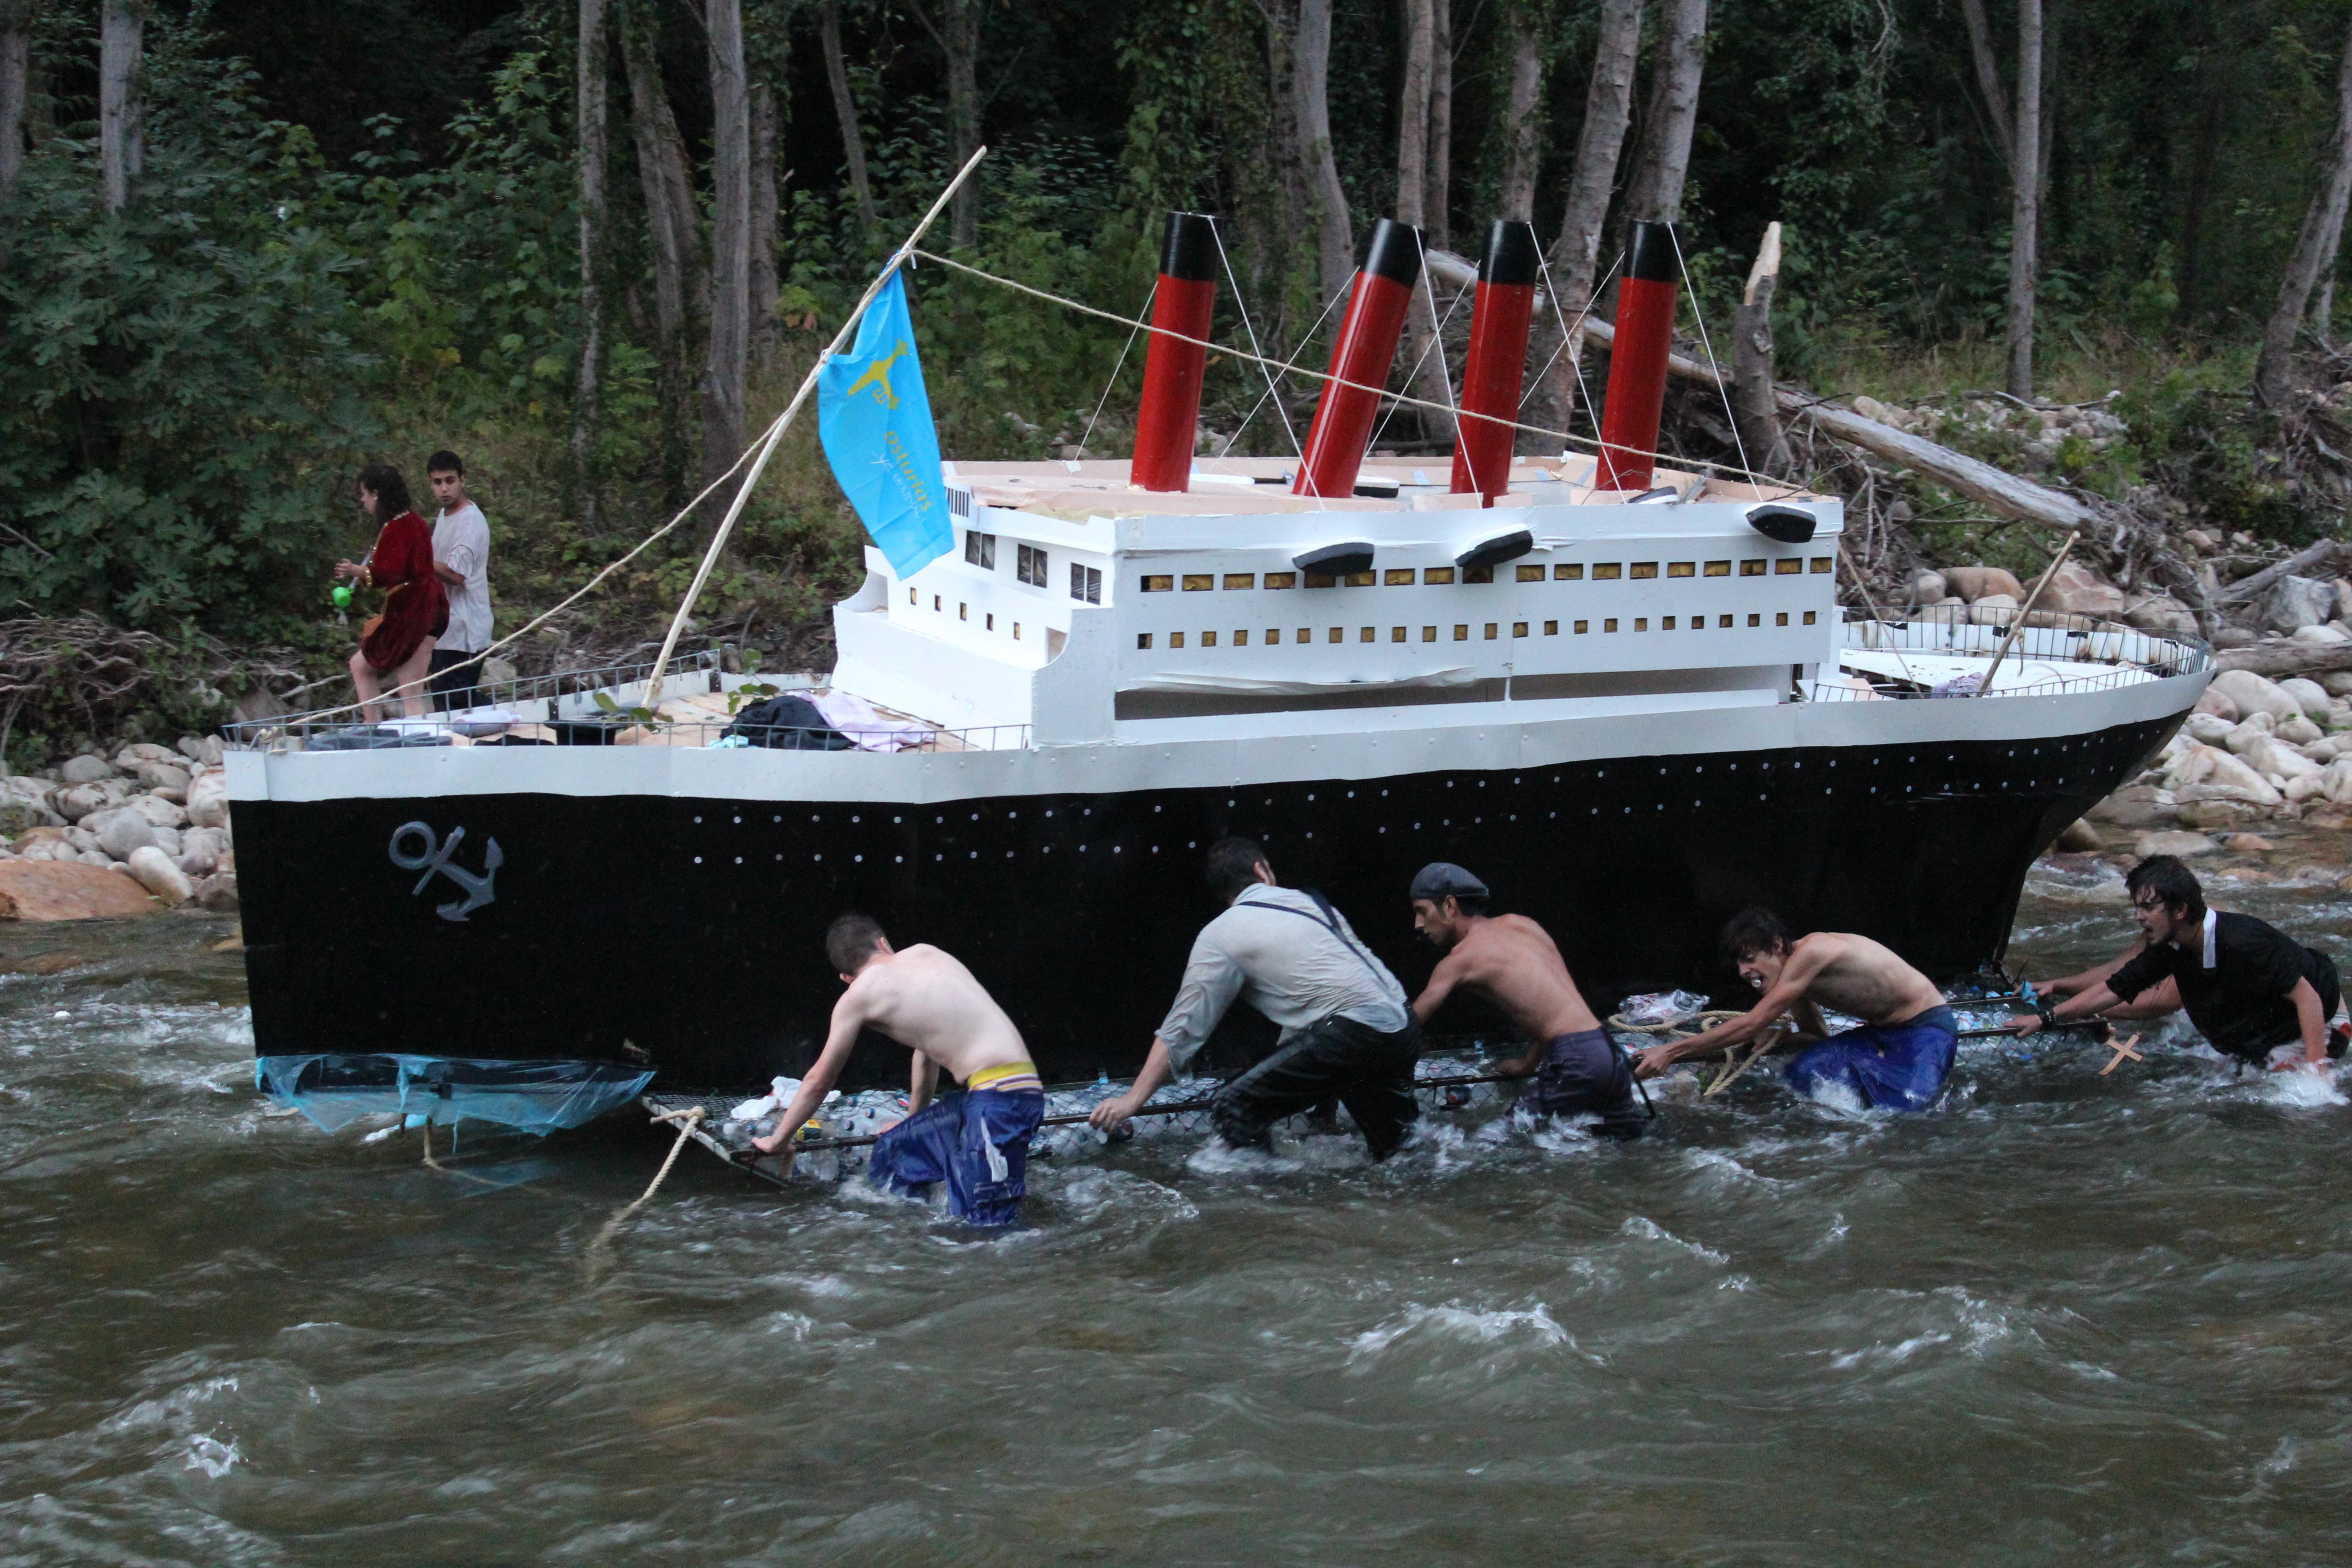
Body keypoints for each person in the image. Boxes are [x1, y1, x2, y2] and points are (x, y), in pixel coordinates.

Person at [1088, 837, 1422, 1159]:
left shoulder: (1220, 934)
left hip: (1352, 1035)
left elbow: (1182, 1029)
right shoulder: (1314, 902)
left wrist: (1133, 1100)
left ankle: (1274, 1202)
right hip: (1402, 1026)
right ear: (1263, 871)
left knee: (1231, 1106)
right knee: (1397, 1154)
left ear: (1222, 892)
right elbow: (1317, 1008)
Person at [750, 915, 1044, 1226]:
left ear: (846, 979)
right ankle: (929, 1232)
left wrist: (778, 1140)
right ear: (883, 944)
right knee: (895, 1153)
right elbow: (927, 1053)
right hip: (998, 1095)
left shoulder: (857, 996)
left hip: (1000, 1101)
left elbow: (819, 1080)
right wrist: (912, 1125)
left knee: (988, 1230)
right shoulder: (928, 953)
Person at [2007, 855, 2344, 1071]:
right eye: (2136, 907)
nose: (2139, 917)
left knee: (2290, 1101)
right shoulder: (2172, 947)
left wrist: (2319, 1076)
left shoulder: (2245, 941)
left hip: (2323, 1017)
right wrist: (2046, 1018)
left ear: (2180, 911)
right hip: (2265, 1026)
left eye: (2148, 908)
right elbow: (2113, 989)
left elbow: (2308, 998)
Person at [1404, 862, 1646, 1140]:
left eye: (1422, 911)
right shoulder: (1523, 926)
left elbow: (1408, 1025)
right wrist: (1527, 1066)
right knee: (1627, 1145)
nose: (1418, 925)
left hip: (1575, 1061)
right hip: (1607, 1054)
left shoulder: (1459, 960)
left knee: (1493, 1145)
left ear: (1450, 906)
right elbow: (1557, 1008)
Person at [1634, 908, 1958, 1113]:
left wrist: (1671, 1051)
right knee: (1807, 1070)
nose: (1744, 972)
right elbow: (1817, 1037)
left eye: (1750, 959)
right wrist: (1783, 1037)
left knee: (1908, 1116)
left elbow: (1750, 1024)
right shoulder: (1795, 981)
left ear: (1777, 946)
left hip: (1927, 1028)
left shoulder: (1812, 953)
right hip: (1882, 1032)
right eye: (1739, 965)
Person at [335, 464, 446, 723]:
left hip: (414, 612)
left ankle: (390, 738)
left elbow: (389, 572)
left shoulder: (396, 528)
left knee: (410, 691)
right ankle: (375, 729)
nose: (363, 500)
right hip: (430, 606)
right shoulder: (414, 521)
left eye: (364, 494)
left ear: (377, 494)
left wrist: (356, 571)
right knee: (364, 667)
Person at [424, 451, 492, 712]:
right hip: (446, 629)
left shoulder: (470, 521)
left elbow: (455, 575)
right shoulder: (445, 515)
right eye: (437, 482)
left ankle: (514, 723)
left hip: (466, 631)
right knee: (448, 707)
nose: (444, 489)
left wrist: (416, 557)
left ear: (463, 480)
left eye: (450, 481)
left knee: (458, 707)